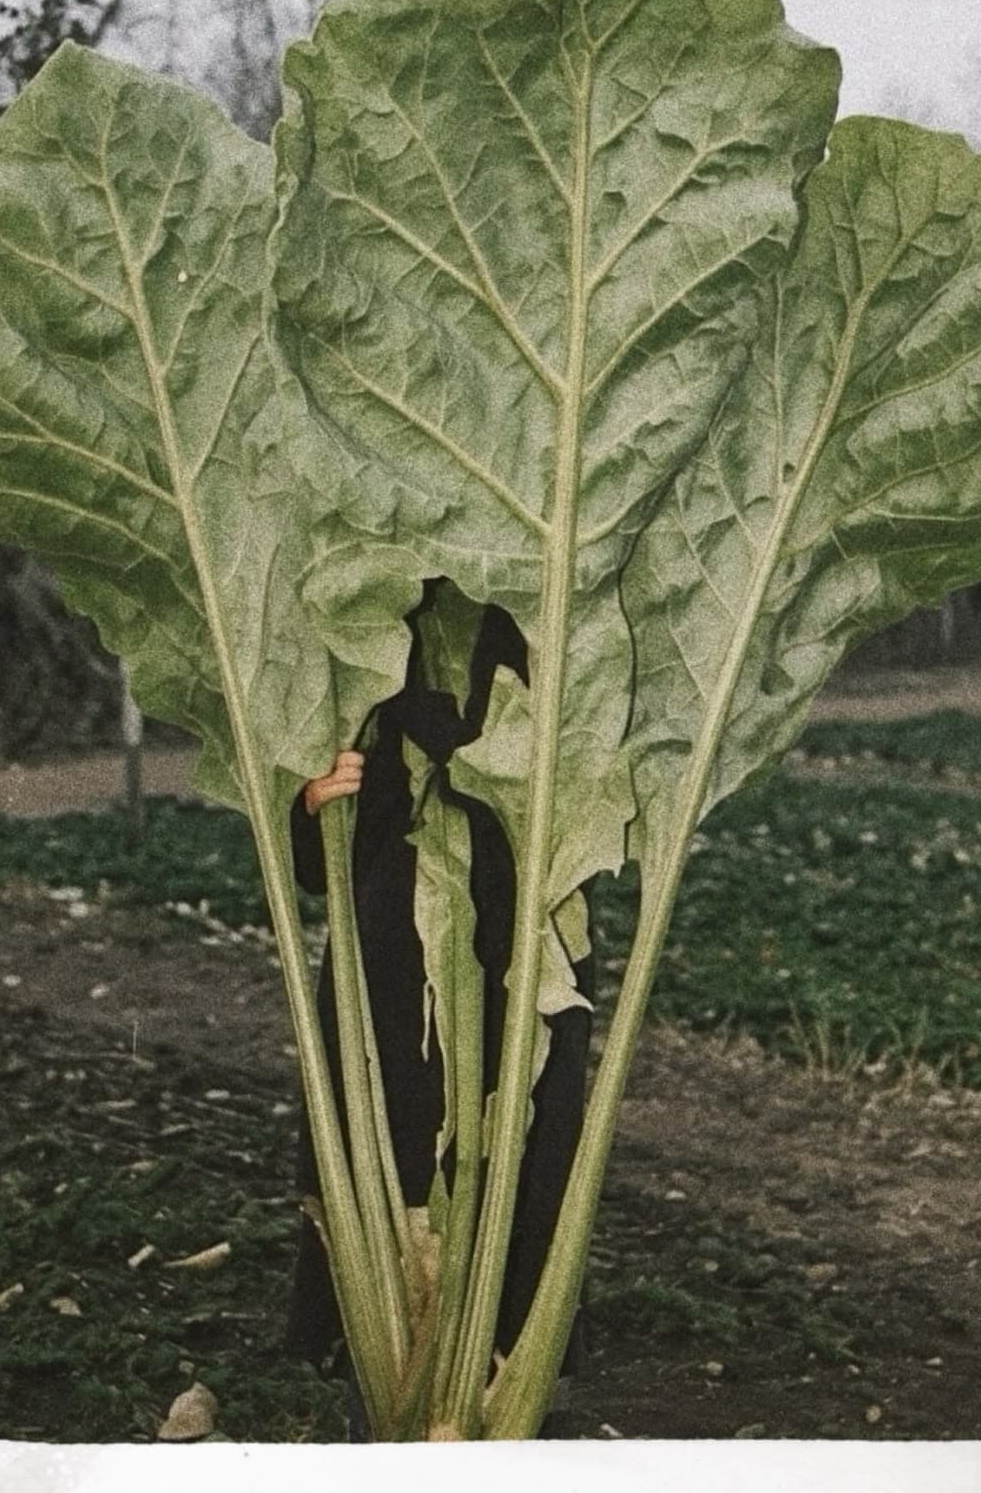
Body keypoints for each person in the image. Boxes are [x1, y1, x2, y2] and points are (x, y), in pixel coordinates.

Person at [285, 583, 593, 1438]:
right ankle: (381, 1399)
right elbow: (310, 858)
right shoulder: (370, 622)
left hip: (522, 951)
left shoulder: (549, 612)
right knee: (392, 1149)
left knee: (522, 1156)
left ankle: (504, 1398)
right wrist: (313, 798)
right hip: (389, 955)